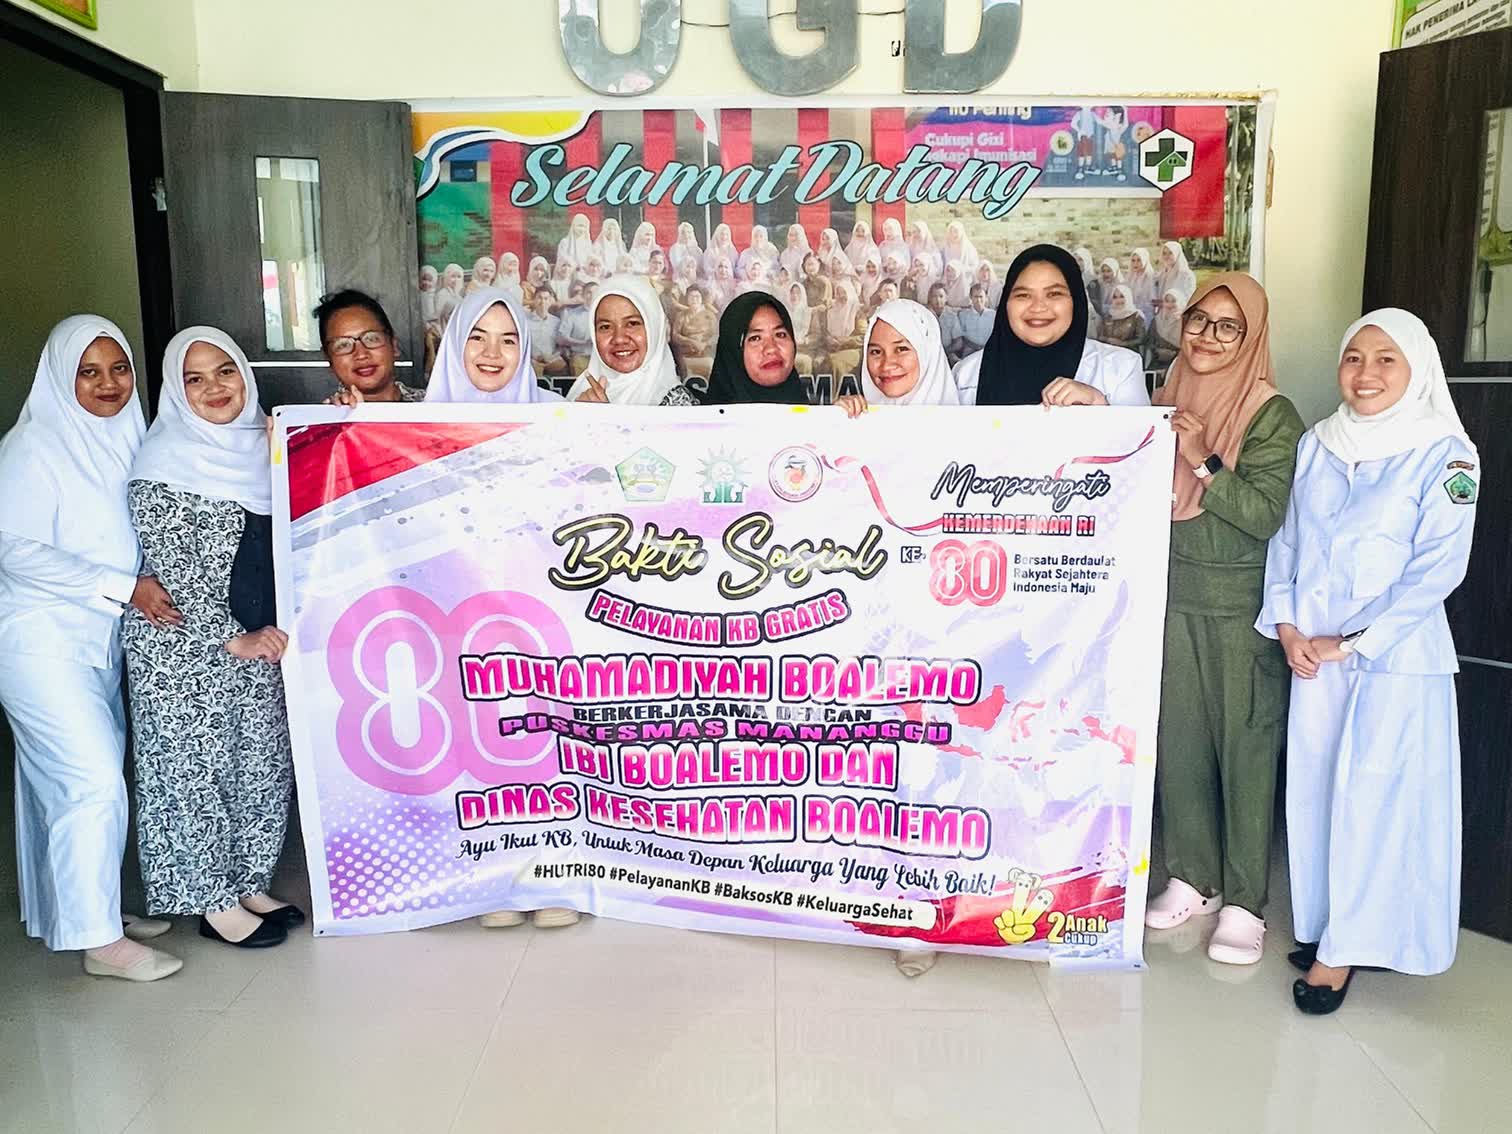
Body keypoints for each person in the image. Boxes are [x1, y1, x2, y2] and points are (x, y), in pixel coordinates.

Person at [1259, 309, 1477, 1012]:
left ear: (1417, 368)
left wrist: (1351, 642)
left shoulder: (1446, 453)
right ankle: (1331, 924)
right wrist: (1287, 624)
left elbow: (1438, 569)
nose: (1366, 374)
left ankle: (1346, 949)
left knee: (1377, 800)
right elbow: (1288, 541)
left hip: (1395, 660)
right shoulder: (1320, 443)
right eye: (1354, 358)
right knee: (1318, 791)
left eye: (1386, 359)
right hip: (1313, 657)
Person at [0, 316, 182, 981]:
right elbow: (12, 549)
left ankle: (83, 910)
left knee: (68, 784)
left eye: (119, 368)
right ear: (60, 376)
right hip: (41, 644)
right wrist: (124, 586)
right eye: (89, 371)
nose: (108, 384)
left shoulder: (127, 436)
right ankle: (99, 943)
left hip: (96, 644)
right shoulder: (34, 448)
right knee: (93, 782)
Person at [1144, 273, 1305, 965]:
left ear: (1253, 336)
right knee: (1178, 740)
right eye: (1198, 320)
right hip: (1170, 594)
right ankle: (1193, 878)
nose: (1207, 337)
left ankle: (1244, 901)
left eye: (1227, 326)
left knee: (1245, 750)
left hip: (1241, 605)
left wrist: (1202, 457)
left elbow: (1265, 515)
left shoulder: (1273, 414)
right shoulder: (1165, 397)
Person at [124, 327, 299, 950]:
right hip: (183, 651)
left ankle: (249, 881)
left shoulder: (264, 449)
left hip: (259, 640)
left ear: (244, 376)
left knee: (260, 767)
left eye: (225, 371)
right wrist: (231, 640)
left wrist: (286, 456)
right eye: (193, 379)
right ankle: (212, 900)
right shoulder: (163, 463)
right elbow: (177, 574)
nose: (214, 388)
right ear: (177, 391)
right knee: (193, 775)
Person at [954, 244, 1150, 407]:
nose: (1038, 307)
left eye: (1054, 294)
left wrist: (1100, 406)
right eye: (1023, 295)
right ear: (1006, 303)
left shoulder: (1120, 369)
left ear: (1076, 302)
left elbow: (1144, 441)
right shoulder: (966, 375)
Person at [568, 276, 700, 406]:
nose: (619, 339)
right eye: (605, 327)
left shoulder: (677, 404)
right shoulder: (581, 393)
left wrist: (600, 417)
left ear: (654, 330)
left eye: (632, 323)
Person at [318, 289, 426, 403]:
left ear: (393, 345)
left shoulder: (432, 405)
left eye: (371, 339)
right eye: (343, 345)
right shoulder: (322, 414)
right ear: (328, 358)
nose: (361, 354)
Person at [860, 297, 961, 409]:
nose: (886, 365)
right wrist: (845, 414)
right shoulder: (860, 416)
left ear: (927, 354)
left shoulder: (958, 420)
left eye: (901, 349)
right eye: (876, 352)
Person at [671, 284, 719, 379]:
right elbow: (675, 335)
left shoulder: (710, 315)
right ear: (687, 299)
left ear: (701, 299)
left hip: (705, 352)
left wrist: (704, 345)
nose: (694, 299)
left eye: (697, 297)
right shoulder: (681, 315)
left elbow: (716, 335)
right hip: (686, 353)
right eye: (691, 297)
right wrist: (691, 342)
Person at [526, 287, 570, 377]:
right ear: (534, 300)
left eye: (546, 298)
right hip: (532, 361)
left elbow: (560, 345)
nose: (543, 301)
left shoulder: (556, 322)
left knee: (562, 367)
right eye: (539, 298)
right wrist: (531, 359)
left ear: (550, 301)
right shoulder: (525, 321)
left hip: (552, 360)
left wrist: (553, 357)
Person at [556, 281, 597, 374]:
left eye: (595, 293)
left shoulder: (606, 314)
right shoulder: (571, 314)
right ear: (583, 295)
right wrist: (583, 343)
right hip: (580, 357)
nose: (592, 296)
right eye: (589, 292)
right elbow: (561, 338)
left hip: (601, 359)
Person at [951, 282, 995, 360]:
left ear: (986, 297)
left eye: (981, 297)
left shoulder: (994, 315)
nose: (978, 300)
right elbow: (960, 338)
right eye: (976, 297)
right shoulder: (963, 315)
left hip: (989, 350)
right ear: (971, 297)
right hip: (970, 350)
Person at [1148, 288, 1188, 371]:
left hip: (1180, 362)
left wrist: (1174, 354)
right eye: (1167, 301)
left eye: (1173, 301)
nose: (1170, 305)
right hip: (1158, 361)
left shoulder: (1186, 321)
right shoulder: (1157, 320)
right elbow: (1150, 342)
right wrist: (1157, 352)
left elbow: (1189, 345)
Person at [783, 281, 817, 376]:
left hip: (804, 349)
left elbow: (816, 335)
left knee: (805, 362)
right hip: (787, 349)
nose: (795, 296)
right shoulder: (783, 312)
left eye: (798, 293)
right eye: (792, 293)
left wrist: (805, 341)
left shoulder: (809, 312)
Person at [1099, 285, 1147, 351]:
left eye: (1122, 296)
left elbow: (1142, 339)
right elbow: (1101, 336)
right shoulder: (1108, 315)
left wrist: (1123, 343)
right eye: (1115, 297)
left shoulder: (1136, 315)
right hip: (1109, 352)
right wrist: (1108, 339)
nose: (1118, 300)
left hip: (1129, 353)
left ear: (1128, 297)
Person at [927, 282, 962, 363]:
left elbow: (959, 342)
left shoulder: (952, 316)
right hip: (929, 353)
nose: (938, 300)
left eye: (941, 296)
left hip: (948, 352)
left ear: (946, 298)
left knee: (955, 361)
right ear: (930, 298)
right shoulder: (925, 314)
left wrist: (946, 351)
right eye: (934, 296)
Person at [1126, 247, 1158, 322]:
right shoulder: (1130, 277)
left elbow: (1153, 301)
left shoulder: (1151, 277)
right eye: (1133, 260)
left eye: (1139, 260)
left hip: (1146, 315)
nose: (1135, 263)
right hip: (1130, 313)